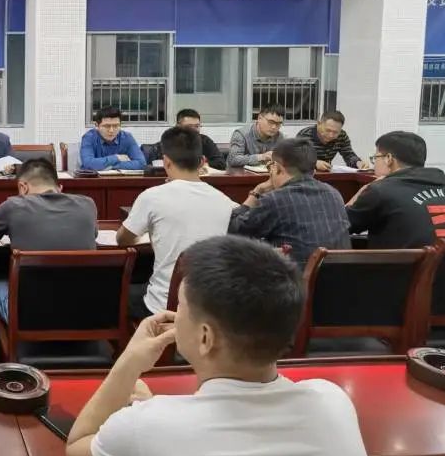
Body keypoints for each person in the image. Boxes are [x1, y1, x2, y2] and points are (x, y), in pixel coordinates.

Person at [66, 236, 370, 456]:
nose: (175, 315)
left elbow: (78, 446)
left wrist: (129, 361)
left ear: (205, 337)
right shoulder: (332, 401)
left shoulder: (146, 427)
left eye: (181, 306)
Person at [118, 127, 235, 320]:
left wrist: (151, 237)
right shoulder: (225, 201)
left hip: (162, 307)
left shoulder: (152, 197)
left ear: (165, 161)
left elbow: (122, 240)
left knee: (118, 293)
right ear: (202, 162)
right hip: (211, 307)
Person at [0, 158, 97, 324]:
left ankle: (1, 337)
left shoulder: (14, 205)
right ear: (60, 188)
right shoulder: (88, 205)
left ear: (23, 187)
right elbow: (93, 235)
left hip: (31, 315)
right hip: (86, 311)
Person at [228, 138, 351, 267]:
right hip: (342, 276)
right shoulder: (334, 193)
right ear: (313, 170)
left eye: (270, 166)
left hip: (295, 277)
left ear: (277, 168)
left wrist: (256, 192)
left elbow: (234, 231)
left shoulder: (276, 199)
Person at [347, 131, 445, 247]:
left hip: (404, 260)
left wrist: (364, 190)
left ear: (389, 159)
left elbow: (340, 227)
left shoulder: (380, 191)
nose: (374, 164)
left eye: (375, 158)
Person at [296, 111, 369, 171]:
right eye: (328, 130)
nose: (331, 135)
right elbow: (295, 159)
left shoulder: (342, 136)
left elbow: (349, 155)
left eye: (335, 132)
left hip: (327, 174)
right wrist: (314, 163)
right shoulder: (305, 135)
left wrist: (358, 163)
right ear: (319, 124)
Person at [80, 107, 146, 172]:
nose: (111, 130)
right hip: (94, 178)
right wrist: (116, 158)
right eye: (106, 126)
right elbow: (88, 164)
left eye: (115, 126)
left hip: (119, 178)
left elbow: (141, 163)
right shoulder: (89, 137)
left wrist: (111, 166)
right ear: (97, 126)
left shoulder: (127, 137)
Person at [227, 103, 285, 170]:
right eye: (271, 122)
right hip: (240, 175)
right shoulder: (241, 134)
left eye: (278, 124)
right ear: (259, 118)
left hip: (267, 174)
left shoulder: (279, 137)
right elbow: (233, 159)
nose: (274, 127)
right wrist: (261, 157)